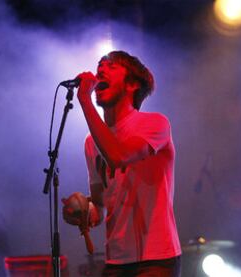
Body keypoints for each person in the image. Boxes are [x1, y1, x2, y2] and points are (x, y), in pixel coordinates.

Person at [64, 51, 181, 276]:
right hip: (116, 261)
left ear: (132, 85)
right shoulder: (91, 142)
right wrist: (82, 212)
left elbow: (117, 157)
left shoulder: (155, 123)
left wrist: (85, 101)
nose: (101, 70)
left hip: (156, 259)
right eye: (100, 66)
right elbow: (99, 205)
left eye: (111, 66)